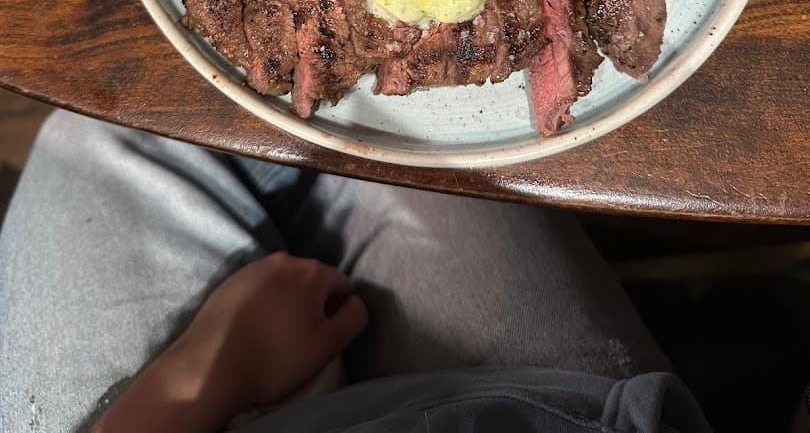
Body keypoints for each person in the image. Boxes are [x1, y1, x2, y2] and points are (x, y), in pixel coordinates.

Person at [0, 110, 713, 433]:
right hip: (532, 408)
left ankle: (289, 166)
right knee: (413, 125)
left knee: (105, 130)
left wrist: (198, 378)